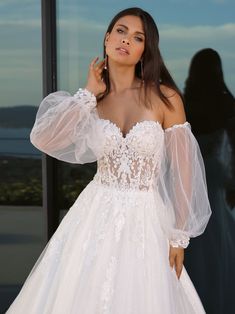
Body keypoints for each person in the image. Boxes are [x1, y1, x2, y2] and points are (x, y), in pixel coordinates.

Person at [6, 7, 212, 314]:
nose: (126, 39)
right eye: (121, 30)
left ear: (145, 50)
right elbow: (44, 139)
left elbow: (184, 171)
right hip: (94, 214)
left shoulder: (165, 98)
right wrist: (89, 93)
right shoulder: (93, 100)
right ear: (106, 39)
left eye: (137, 37)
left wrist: (179, 237)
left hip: (147, 217)